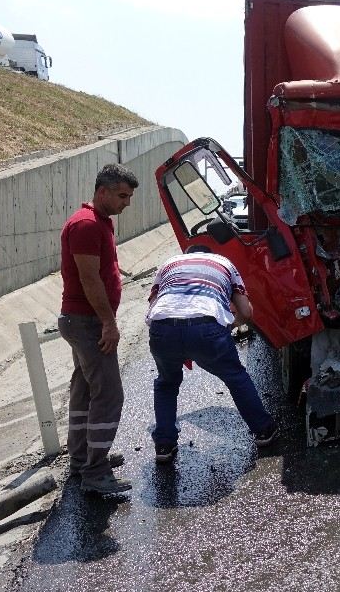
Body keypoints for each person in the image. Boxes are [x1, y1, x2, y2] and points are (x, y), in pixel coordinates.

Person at [147, 245, 277, 463]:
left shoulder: (169, 264)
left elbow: (154, 306)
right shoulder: (225, 264)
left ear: (187, 255)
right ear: (209, 254)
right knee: (236, 377)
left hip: (163, 327)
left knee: (166, 384)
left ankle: (164, 445)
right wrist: (226, 327)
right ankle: (263, 430)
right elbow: (246, 312)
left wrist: (177, 338)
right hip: (205, 326)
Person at [58, 163, 138, 494]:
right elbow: (89, 279)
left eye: (130, 196)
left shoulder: (98, 223)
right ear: (102, 192)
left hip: (82, 320)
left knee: (84, 391)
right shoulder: (87, 224)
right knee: (108, 393)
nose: (126, 203)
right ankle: (95, 471)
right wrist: (108, 322)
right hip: (88, 322)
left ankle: (83, 459)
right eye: (122, 195)